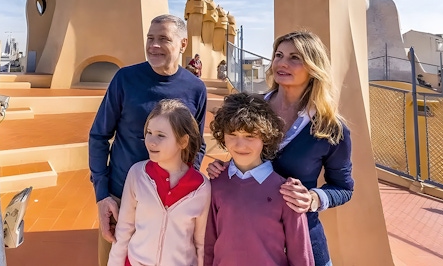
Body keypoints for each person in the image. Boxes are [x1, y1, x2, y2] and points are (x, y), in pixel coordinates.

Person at [207, 30, 353, 265]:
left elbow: (344, 188)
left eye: (295, 58)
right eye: (278, 55)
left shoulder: (331, 128)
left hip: (306, 246)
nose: (282, 63)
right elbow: (244, 153)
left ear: (313, 67)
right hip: (254, 248)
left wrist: (312, 198)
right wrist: (226, 167)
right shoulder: (251, 107)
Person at [89, 14, 208, 266]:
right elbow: (99, 135)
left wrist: (185, 185)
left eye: (163, 39)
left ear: (183, 44)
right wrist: (102, 195)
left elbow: (197, 144)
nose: (153, 45)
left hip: (171, 205)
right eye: (150, 38)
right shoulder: (125, 79)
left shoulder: (196, 89)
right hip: (120, 198)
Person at [205, 93, 313, 266]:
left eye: (250, 136)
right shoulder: (215, 185)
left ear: (266, 136)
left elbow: (301, 255)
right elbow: (208, 245)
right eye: (232, 134)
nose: (240, 145)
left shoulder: (286, 191)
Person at [108, 99, 210, 266]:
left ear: (183, 142)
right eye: (149, 132)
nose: (151, 141)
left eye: (161, 135)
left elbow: (201, 243)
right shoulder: (137, 174)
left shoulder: (202, 188)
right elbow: (124, 230)